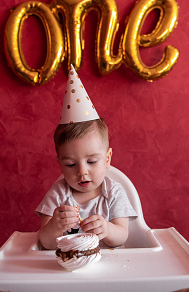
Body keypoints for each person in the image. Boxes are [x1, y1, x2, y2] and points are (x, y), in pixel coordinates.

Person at [35, 66, 137, 250]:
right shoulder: (58, 195)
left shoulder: (113, 193)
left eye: (91, 161)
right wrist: (53, 228)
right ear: (60, 164)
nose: (82, 171)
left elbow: (122, 236)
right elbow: (45, 242)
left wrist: (107, 229)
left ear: (107, 159)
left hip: (110, 271)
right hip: (68, 270)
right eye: (71, 164)